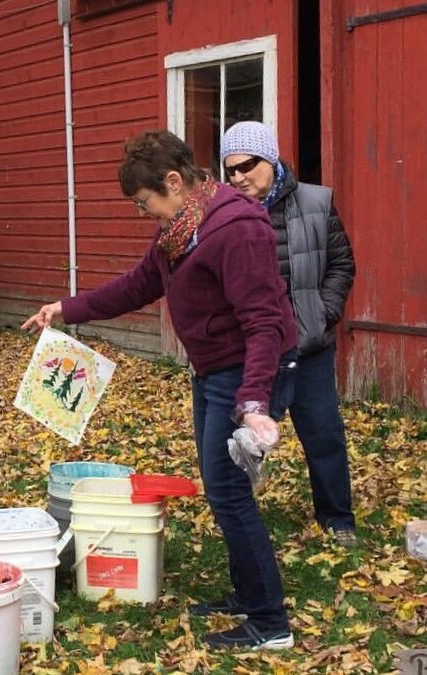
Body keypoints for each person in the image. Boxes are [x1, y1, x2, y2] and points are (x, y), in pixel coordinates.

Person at [22, 130, 299, 650]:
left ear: (174, 182)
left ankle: (270, 623)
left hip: (247, 371)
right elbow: (135, 285)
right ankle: (247, 594)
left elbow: (264, 323)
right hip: (213, 369)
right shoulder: (179, 232)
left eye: (145, 202)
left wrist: (254, 402)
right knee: (224, 489)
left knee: (228, 491)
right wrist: (65, 309)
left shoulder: (236, 229)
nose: (144, 212)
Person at [220, 121, 357, 547]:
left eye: (247, 165)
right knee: (242, 440)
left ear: (271, 158)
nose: (239, 176)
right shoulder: (226, 212)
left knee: (324, 434)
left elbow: (342, 264)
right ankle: (242, 524)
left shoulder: (316, 202)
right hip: (255, 353)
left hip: (309, 348)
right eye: (230, 169)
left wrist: (323, 313)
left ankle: (337, 519)